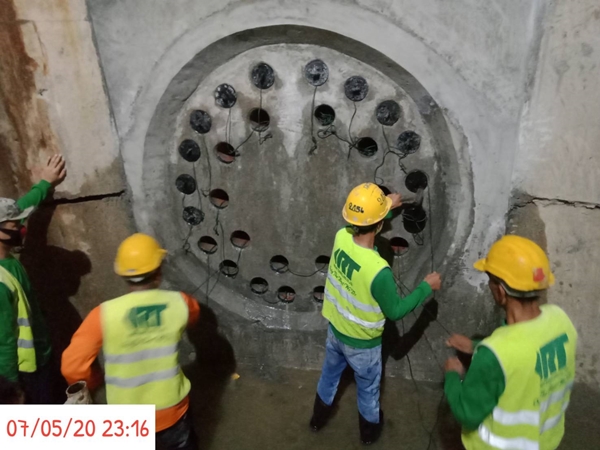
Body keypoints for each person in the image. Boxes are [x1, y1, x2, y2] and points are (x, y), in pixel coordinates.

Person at [310, 183, 441, 444]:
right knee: (368, 391)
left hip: (335, 332)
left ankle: (316, 421)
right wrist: (426, 287)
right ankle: (369, 434)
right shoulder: (378, 270)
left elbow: (364, 223)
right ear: (380, 225)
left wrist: (387, 206)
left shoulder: (341, 237)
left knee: (329, 376)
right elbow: (396, 310)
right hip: (363, 345)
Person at [62, 233, 200, 450]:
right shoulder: (181, 303)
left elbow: (72, 365)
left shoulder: (103, 315)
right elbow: (193, 317)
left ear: (123, 274)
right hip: (172, 411)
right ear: (158, 271)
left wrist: (94, 380)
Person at [444, 235, 577, 450]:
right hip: (546, 441)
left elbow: (466, 413)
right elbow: (527, 350)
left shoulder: (494, 354)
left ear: (501, 291)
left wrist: (453, 375)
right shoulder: (561, 320)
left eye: (490, 281)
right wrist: (475, 346)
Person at [0, 155, 67, 404]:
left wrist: (45, 183)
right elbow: (4, 340)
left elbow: (21, 208)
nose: (21, 228)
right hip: (28, 373)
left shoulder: (6, 255)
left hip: (42, 357)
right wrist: (10, 389)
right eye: (14, 226)